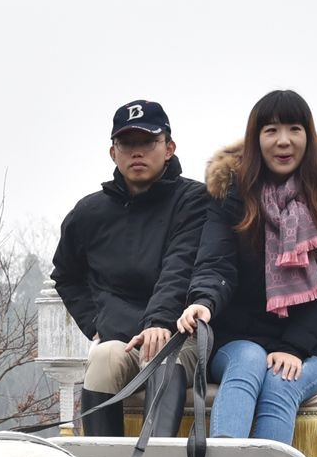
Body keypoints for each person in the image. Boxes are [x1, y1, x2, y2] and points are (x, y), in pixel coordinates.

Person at [177, 89, 317, 442]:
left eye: (294, 129)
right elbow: (216, 261)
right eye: (271, 131)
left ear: (308, 135)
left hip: (313, 343)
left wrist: (295, 346)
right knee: (247, 362)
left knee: (281, 381)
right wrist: (203, 301)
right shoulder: (231, 192)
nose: (283, 141)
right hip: (239, 337)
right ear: (256, 139)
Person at [52, 99, 209, 437]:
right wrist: (95, 323)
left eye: (148, 142)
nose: (137, 152)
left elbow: (179, 267)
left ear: (169, 148)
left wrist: (159, 323)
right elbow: (65, 274)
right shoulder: (89, 213)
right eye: (127, 144)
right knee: (103, 358)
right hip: (120, 336)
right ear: (113, 153)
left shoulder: (195, 200)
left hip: (178, 335)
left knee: (162, 357)